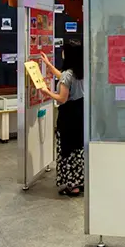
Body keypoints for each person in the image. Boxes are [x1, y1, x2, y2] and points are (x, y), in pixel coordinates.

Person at [39, 42, 84, 197]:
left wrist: (47, 92)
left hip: (68, 116)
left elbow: (62, 98)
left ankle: (72, 185)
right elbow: (63, 78)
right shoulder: (80, 71)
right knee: (78, 147)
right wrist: (49, 65)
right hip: (80, 113)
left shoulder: (68, 74)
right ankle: (79, 180)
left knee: (67, 147)